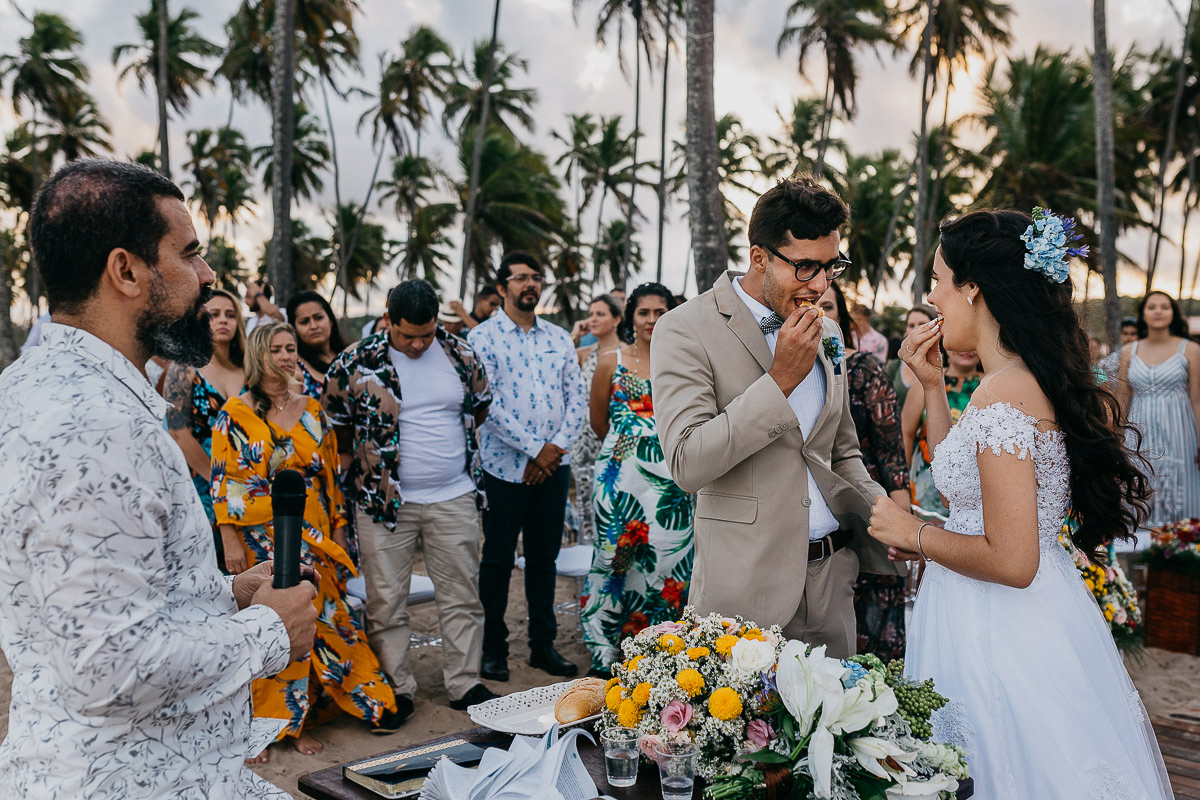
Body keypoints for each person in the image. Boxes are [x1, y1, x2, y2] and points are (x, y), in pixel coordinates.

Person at [0, 158, 318, 798]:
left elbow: (89, 609)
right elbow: (108, 669)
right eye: (190, 254)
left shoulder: (40, 388)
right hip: (130, 780)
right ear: (126, 270)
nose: (207, 278)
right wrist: (267, 631)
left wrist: (225, 595)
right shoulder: (93, 425)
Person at [868, 208, 1171, 798]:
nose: (932, 297)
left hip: (997, 624)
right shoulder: (1018, 379)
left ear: (974, 289)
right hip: (1020, 610)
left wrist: (914, 534)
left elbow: (1012, 559)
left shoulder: (1004, 391)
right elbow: (966, 492)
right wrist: (932, 387)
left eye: (938, 281)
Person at [650, 176, 901, 658]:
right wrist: (779, 381)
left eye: (831, 267)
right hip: (742, 592)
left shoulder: (827, 331)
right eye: (805, 267)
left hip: (831, 584)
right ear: (759, 257)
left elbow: (841, 450)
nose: (820, 286)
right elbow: (687, 463)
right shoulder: (684, 329)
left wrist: (885, 516)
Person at [212, 323, 403, 761]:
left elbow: (332, 476)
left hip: (316, 537)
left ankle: (307, 716)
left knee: (325, 621)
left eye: (291, 349)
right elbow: (226, 485)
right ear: (258, 355)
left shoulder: (312, 408)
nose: (285, 356)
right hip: (262, 540)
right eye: (276, 349)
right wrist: (230, 541)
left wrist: (337, 529)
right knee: (273, 626)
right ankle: (270, 725)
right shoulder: (235, 413)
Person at [323, 279, 499, 712]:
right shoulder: (356, 361)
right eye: (408, 336)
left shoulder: (461, 354)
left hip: (454, 494)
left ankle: (464, 683)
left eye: (427, 333)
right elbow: (338, 420)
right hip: (383, 502)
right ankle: (396, 690)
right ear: (388, 320)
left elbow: (480, 405)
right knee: (386, 600)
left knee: (462, 594)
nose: (419, 344)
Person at [468, 252, 588, 681]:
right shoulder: (481, 339)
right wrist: (536, 448)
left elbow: (576, 398)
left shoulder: (558, 338)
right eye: (521, 278)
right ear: (502, 288)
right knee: (497, 559)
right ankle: (493, 649)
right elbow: (489, 406)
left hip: (554, 468)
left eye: (535, 277)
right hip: (503, 468)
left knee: (544, 559)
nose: (530, 284)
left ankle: (543, 646)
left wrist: (552, 449)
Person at [582, 283, 695, 675]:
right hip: (619, 479)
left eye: (660, 311)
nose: (652, 319)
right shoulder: (609, 360)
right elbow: (599, 422)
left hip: (671, 481)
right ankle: (606, 652)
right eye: (644, 312)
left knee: (670, 560)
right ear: (631, 316)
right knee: (616, 558)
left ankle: (661, 650)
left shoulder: (684, 360)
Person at [817, 282, 910, 662]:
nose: (819, 313)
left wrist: (901, 525)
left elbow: (892, 453)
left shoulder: (862, 368)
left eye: (828, 306)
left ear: (840, 319)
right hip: (813, 515)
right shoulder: (784, 368)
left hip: (863, 503)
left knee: (873, 628)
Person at [164, 286, 248, 569]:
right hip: (201, 483)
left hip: (251, 483)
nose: (223, 320)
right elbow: (178, 434)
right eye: (213, 314)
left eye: (230, 314)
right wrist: (219, 483)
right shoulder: (184, 368)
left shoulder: (251, 369)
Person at [1115, 291, 1200, 544]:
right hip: (1139, 431)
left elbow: (1197, 398)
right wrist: (1117, 441)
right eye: (1152, 307)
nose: (1159, 311)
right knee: (1140, 491)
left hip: (1180, 431)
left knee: (1180, 492)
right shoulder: (1129, 351)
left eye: (1165, 306)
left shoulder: (1191, 349)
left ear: (1173, 312)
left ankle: (1183, 556)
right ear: (1143, 314)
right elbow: (1122, 398)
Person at [570, 294, 625, 545]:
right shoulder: (582, 353)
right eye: (590, 313)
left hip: (616, 444)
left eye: (600, 314)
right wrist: (575, 335)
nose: (592, 319)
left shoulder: (627, 355)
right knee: (587, 515)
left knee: (616, 515)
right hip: (583, 448)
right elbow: (556, 364)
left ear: (617, 319)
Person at [902, 347, 982, 516]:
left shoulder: (990, 385)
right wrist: (901, 486)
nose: (966, 350)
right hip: (926, 488)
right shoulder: (925, 382)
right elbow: (906, 433)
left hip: (976, 491)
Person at [286, 290, 347, 399]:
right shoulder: (294, 368)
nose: (313, 326)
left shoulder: (350, 356)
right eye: (304, 322)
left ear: (331, 320)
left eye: (318, 318)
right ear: (294, 329)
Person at [885, 304, 936, 409]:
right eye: (911, 325)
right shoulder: (893, 367)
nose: (915, 329)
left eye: (922, 324)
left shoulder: (943, 366)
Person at [1097, 316, 1139, 382]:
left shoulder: (1143, 359)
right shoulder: (1110, 360)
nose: (1128, 337)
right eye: (1125, 333)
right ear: (1120, 335)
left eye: (1133, 334)